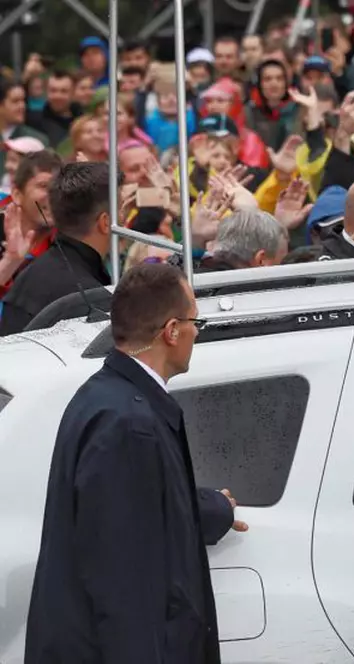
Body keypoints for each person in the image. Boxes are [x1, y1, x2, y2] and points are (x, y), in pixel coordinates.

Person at [24, 263, 246, 663]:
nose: (198, 332)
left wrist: (211, 508)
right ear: (172, 330)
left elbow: (141, 507)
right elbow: (122, 582)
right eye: (195, 321)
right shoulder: (127, 423)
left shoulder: (110, 397)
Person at [0, 162, 113, 336]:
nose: (48, 196)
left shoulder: (55, 256)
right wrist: (10, 261)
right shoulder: (83, 293)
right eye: (42, 186)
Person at [0, 150, 63, 299]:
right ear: (17, 194)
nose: (53, 195)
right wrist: (11, 261)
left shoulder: (67, 246)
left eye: (58, 188)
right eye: (43, 186)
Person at [198, 208, 289, 272]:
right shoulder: (264, 293)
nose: (286, 268)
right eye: (282, 262)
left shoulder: (193, 278)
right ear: (261, 260)